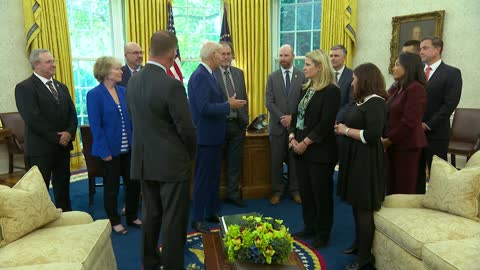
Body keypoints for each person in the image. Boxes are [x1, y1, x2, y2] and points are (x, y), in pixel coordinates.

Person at [126, 30, 197, 270]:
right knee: (173, 220)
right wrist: (190, 154)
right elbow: (186, 129)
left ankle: (149, 262)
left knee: (151, 215)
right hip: (171, 164)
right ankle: (172, 265)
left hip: (144, 161)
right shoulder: (172, 85)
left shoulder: (133, 80)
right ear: (172, 53)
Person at [188, 41, 247, 233]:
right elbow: (203, 108)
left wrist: (228, 104)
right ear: (212, 55)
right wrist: (228, 105)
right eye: (220, 54)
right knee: (203, 178)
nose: (223, 57)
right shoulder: (200, 76)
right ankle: (197, 218)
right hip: (205, 137)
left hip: (214, 136)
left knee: (213, 178)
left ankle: (211, 211)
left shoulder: (209, 74)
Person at [335, 63, 387, 270]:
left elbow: (373, 135)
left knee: (363, 208)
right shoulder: (361, 101)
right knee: (356, 206)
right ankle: (359, 244)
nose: (352, 82)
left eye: (355, 79)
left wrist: (346, 130)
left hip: (365, 161)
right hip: (354, 159)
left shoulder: (376, 102)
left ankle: (365, 257)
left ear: (365, 80)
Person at [15, 49, 77, 212]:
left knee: (63, 187)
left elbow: (72, 114)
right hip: (40, 149)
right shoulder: (25, 87)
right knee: (39, 191)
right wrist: (57, 137)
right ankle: (41, 222)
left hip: (62, 148)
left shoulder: (61, 87)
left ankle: (65, 217)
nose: (54, 64)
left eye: (53, 61)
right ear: (36, 65)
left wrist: (69, 133)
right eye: (49, 61)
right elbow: (33, 118)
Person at [289, 50, 340, 249]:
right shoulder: (306, 87)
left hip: (320, 152)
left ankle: (323, 233)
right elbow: (296, 115)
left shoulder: (331, 91)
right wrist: (292, 137)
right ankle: (309, 226)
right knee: (307, 192)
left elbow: (326, 123)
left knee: (321, 194)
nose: (304, 68)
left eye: (308, 64)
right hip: (299, 148)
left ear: (320, 67)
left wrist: (305, 143)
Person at [86, 56, 142, 235]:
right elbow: (96, 125)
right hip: (109, 151)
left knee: (133, 184)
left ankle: (132, 216)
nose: (121, 71)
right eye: (117, 69)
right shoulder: (94, 95)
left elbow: (133, 119)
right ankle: (114, 220)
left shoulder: (124, 91)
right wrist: (103, 151)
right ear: (105, 72)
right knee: (111, 188)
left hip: (129, 149)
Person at [417, 36, 462, 193]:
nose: (421, 51)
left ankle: (438, 208)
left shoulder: (452, 73)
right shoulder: (416, 73)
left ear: (437, 49)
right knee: (416, 174)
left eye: (425, 48)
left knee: (438, 175)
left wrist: (428, 125)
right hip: (414, 132)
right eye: (420, 48)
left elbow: (450, 104)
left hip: (436, 133)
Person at [382, 53, 427, 195]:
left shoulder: (416, 88)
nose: (393, 68)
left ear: (408, 67)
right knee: (391, 187)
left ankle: (403, 217)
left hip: (407, 146)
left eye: (397, 65)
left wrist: (389, 140)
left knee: (404, 189)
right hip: (392, 145)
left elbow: (410, 121)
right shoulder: (396, 88)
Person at [265, 44, 304, 205]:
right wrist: (283, 117)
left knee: (294, 161)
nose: (282, 59)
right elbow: (269, 102)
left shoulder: (302, 76)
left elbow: (304, 102)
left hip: (295, 128)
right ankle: (277, 191)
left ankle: (295, 190)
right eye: (280, 56)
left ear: (293, 56)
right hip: (277, 127)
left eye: (286, 56)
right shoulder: (272, 77)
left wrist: (292, 118)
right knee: (276, 161)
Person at [213, 41, 249, 208]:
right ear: (217, 55)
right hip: (219, 125)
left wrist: (245, 121)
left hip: (237, 125)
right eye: (223, 54)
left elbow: (244, 98)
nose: (226, 57)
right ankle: (214, 197)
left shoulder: (239, 73)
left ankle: (233, 194)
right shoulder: (211, 74)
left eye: (229, 54)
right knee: (216, 164)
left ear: (232, 56)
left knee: (234, 163)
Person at [330, 44, 353, 123]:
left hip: (341, 122)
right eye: (331, 56)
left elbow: (351, 102)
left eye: (336, 56)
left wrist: (337, 119)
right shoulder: (325, 75)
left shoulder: (352, 76)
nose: (332, 59)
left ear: (344, 58)